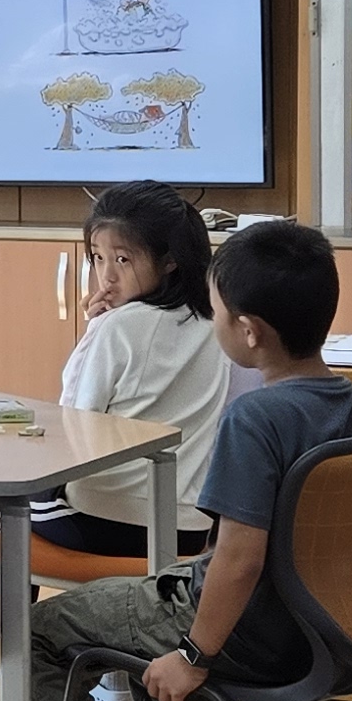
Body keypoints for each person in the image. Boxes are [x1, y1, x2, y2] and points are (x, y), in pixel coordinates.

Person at [26, 220, 352, 701]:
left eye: (217, 313)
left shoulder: (257, 419)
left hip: (260, 635)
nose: (212, 323)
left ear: (248, 332)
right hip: (346, 634)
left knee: (47, 631)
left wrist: (194, 657)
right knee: (150, 608)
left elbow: (239, 562)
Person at [41, 183, 228, 563]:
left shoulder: (118, 327)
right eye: (97, 258)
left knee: (9, 512)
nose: (106, 276)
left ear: (169, 260)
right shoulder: (215, 323)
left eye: (122, 260)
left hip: (109, 518)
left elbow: (71, 424)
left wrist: (95, 329)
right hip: (190, 529)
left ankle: (16, 625)